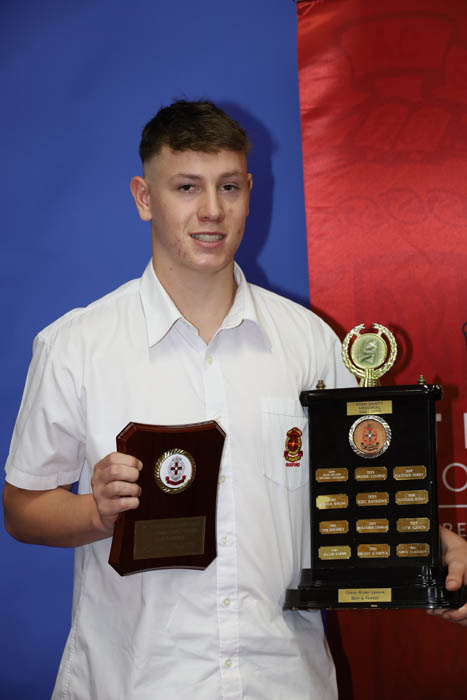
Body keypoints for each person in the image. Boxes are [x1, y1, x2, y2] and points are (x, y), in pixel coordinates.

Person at [3, 100, 467, 700]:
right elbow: (21, 509)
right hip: (133, 681)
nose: (212, 210)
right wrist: (97, 513)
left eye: (228, 187)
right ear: (144, 198)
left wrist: (429, 544)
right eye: (186, 187)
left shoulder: (310, 342)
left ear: (249, 191)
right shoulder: (76, 346)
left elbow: (358, 486)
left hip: (284, 680)